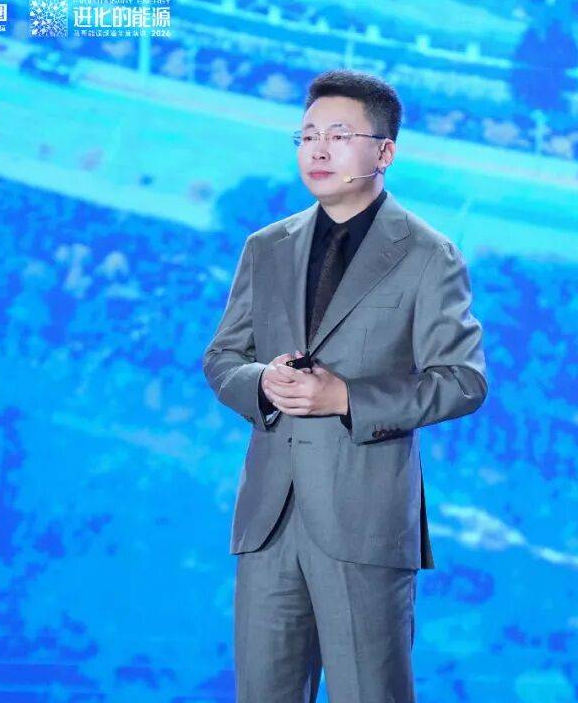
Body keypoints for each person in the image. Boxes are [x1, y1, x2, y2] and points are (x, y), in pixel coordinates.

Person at [203, 69, 488, 703]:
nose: (318, 150)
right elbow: (223, 357)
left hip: (365, 522)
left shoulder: (427, 254)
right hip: (269, 521)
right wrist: (262, 383)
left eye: (338, 135)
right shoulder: (267, 247)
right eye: (307, 136)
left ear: (384, 152)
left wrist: (346, 400)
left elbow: (464, 380)